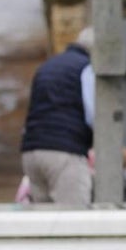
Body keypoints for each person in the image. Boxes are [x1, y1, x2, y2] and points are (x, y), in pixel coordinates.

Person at [19, 27, 96, 204]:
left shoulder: (48, 65)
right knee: (74, 214)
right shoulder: (87, 68)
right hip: (64, 152)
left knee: (43, 216)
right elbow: (93, 114)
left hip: (31, 151)